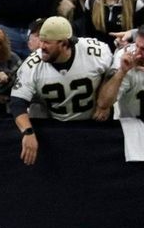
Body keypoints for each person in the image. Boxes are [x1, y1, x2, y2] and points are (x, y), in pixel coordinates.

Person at [10, 15, 118, 165]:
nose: (41, 46)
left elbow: (114, 75)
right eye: (41, 40)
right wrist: (28, 132)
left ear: (64, 43)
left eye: (47, 42)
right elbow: (17, 102)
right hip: (56, 125)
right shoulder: (32, 65)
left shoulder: (95, 52)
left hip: (94, 124)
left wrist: (105, 104)